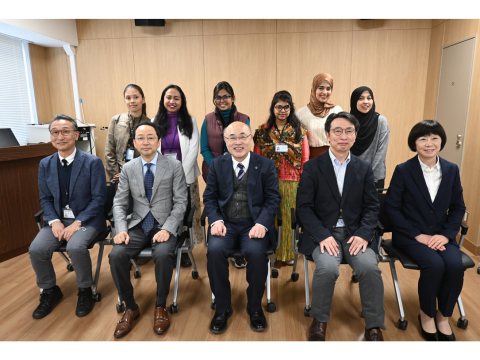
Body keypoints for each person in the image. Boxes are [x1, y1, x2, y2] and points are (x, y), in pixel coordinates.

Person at [296, 112, 384, 341]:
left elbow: (372, 207)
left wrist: (365, 234)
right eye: (337, 131)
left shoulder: (363, 168)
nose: (343, 136)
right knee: (327, 268)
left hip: (355, 234)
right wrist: (323, 236)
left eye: (348, 131)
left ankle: (373, 325)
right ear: (327, 135)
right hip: (324, 233)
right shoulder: (313, 168)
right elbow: (304, 207)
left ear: (355, 136)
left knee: (369, 267)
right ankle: (320, 321)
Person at [385, 120, 466, 341]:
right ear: (414, 143)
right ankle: (427, 314)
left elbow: (459, 207)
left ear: (441, 141)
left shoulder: (451, 170)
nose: (429, 143)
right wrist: (417, 235)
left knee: (455, 265)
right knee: (434, 264)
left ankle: (443, 315)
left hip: (441, 235)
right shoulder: (403, 170)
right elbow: (392, 208)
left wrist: (446, 234)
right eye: (423, 138)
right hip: (411, 235)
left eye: (434, 138)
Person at [109, 121, 188, 339]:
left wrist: (169, 228)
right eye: (141, 138)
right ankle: (130, 307)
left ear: (158, 141)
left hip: (163, 225)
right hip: (137, 225)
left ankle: (160, 305)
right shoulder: (128, 168)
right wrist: (121, 229)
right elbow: (119, 203)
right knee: (116, 255)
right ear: (134, 142)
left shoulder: (174, 166)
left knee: (163, 254)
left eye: (150, 137)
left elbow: (181, 202)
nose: (146, 142)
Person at [203, 121, 280, 334]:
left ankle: (254, 307)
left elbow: (273, 199)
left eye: (243, 136)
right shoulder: (218, 164)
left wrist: (263, 224)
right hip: (225, 224)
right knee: (215, 251)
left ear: (251, 139)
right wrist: (216, 220)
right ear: (225, 141)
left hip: (253, 224)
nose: (238, 142)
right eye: (232, 137)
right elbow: (209, 198)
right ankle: (222, 307)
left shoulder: (265, 165)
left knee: (256, 253)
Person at [29, 114, 107, 319]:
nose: (60, 137)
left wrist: (77, 222)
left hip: (87, 220)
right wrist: (54, 221)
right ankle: (50, 291)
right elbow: (45, 198)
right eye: (55, 132)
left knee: (75, 246)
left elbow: (99, 199)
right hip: (57, 220)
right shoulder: (45, 164)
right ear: (50, 137)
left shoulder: (92, 163)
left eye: (65, 132)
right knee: (36, 249)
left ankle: (85, 290)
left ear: (76, 134)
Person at [253, 90, 309, 265]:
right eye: (279, 107)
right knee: (270, 215)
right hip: (269, 180)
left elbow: (305, 158)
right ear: (273, 108)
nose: (282, 110)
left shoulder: (299, 130)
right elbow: (257, 155)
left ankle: (287, 253)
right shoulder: (263, 131)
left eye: (286, 107)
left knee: (287, 217)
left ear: (291, 108)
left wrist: (301, 180)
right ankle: (271, 250)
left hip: (291, 180)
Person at [201, 81, 250, 269]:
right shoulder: (208, 119)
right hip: (214, 170)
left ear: (233, 98)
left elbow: (245, 143)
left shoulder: (243, 118)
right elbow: (204, 148)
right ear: (214, 99)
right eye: (218, 97)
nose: (222, 100)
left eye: (226, 96)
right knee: (221, 203)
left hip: (239, 168)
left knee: (239, 206)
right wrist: (218, 167)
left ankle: (239, 251)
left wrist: (232, 164)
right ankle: (223, 243)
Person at [152, 84, 201, 266]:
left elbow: (194, 148)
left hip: (186, 175)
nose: (172, 101)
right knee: (167, 213)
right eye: (169, 97)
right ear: (163, 100)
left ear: (182, 101)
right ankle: (168, 249)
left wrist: (179, 174)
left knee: (185, 213)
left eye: (176, 98)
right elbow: (152, 150)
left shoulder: (190, 120)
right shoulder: (154, 120)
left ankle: (186, 250)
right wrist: (166, 175)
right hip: (162, 177)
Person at [105, 83, 149, 183]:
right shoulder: (116, 120)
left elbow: (150, 154)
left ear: (143, 99)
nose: (132, 101)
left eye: (136, 97)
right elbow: (109, 150)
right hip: (119, 177)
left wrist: (135, 173)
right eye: (128, 98)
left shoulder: (149, 124)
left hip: (141, 176)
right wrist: (116, 174)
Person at [349, 86, 390, 189]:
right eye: (361, 98)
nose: (366, 102)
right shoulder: (348, 122)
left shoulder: (381, 121)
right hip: (351, 175)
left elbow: (381, 153)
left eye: (369, 98)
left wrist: (368, 176)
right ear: (354, 101)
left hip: (374, 177)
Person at [296, 73, 343, 159]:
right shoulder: (301, 113)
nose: (324, 92)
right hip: (311, 160)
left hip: (335, 159)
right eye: (321, 88)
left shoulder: (337, 111)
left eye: (328, 89)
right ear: (314, 89)